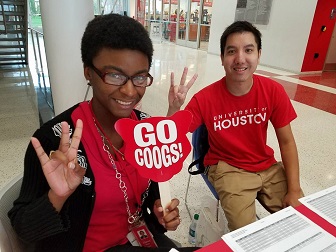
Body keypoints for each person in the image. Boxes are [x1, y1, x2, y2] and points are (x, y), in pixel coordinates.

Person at [8, 14, 198, 252]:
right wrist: (57, 196)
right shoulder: (55, 139)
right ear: (88, 72)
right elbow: (23, 229)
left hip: (137, 242)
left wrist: (159, 213)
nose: (129, 91)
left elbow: (146, 200)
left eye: (139, 77)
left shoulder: (145, 129)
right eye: (115, 75)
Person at [167, 21, 304, 231]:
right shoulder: (205, 98)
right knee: (246, 232)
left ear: (259, 54)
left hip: (266, 165)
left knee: (301, 218)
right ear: (222, 58)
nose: (240, 59)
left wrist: (294, 189)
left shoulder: (273, 91)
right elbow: (170, 136)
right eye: (231, 51)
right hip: (227, 168)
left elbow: (287, 142)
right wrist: (174, 109)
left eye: (248, 50)